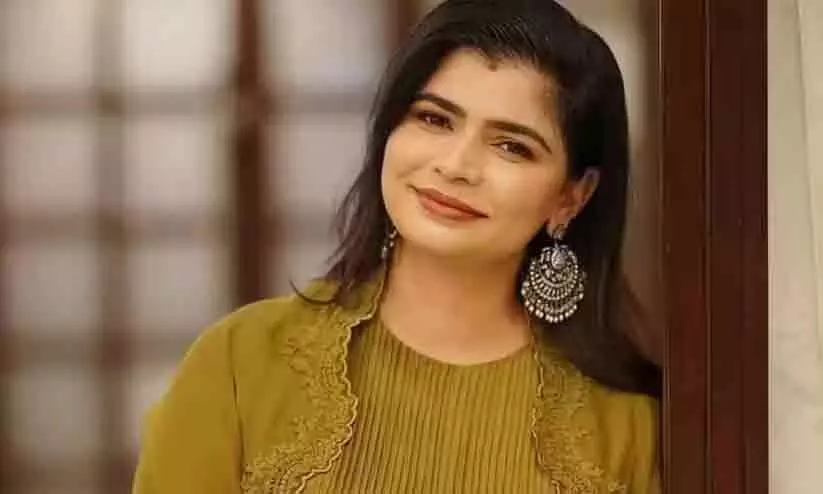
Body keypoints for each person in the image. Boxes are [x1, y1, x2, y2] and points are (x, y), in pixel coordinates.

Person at [132, 0, 661, 492]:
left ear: (572, 195)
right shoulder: (239, 364)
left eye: (511, 146)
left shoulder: (628, 422)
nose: (455, 166)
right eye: (434, 119)